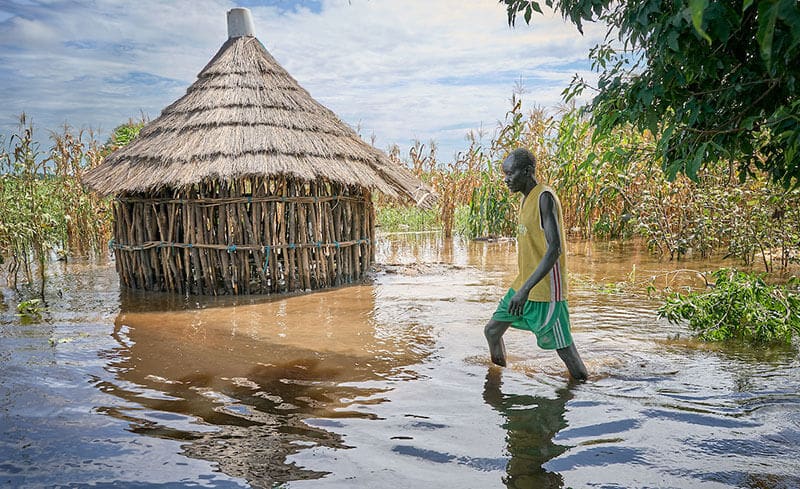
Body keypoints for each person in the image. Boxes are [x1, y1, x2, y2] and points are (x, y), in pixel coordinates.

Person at [484, 148, 588, 381]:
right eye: (504, 174)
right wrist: (521, 289)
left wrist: (525, 290)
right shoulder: (525, 199)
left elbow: (555, 249)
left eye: (510, 173)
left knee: (566, 353)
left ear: (528, 171)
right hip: (523, 285)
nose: (506, 179)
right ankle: (498, 381)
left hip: (546, 291)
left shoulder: (545, 197)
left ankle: (583, 390)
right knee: (492, 331)